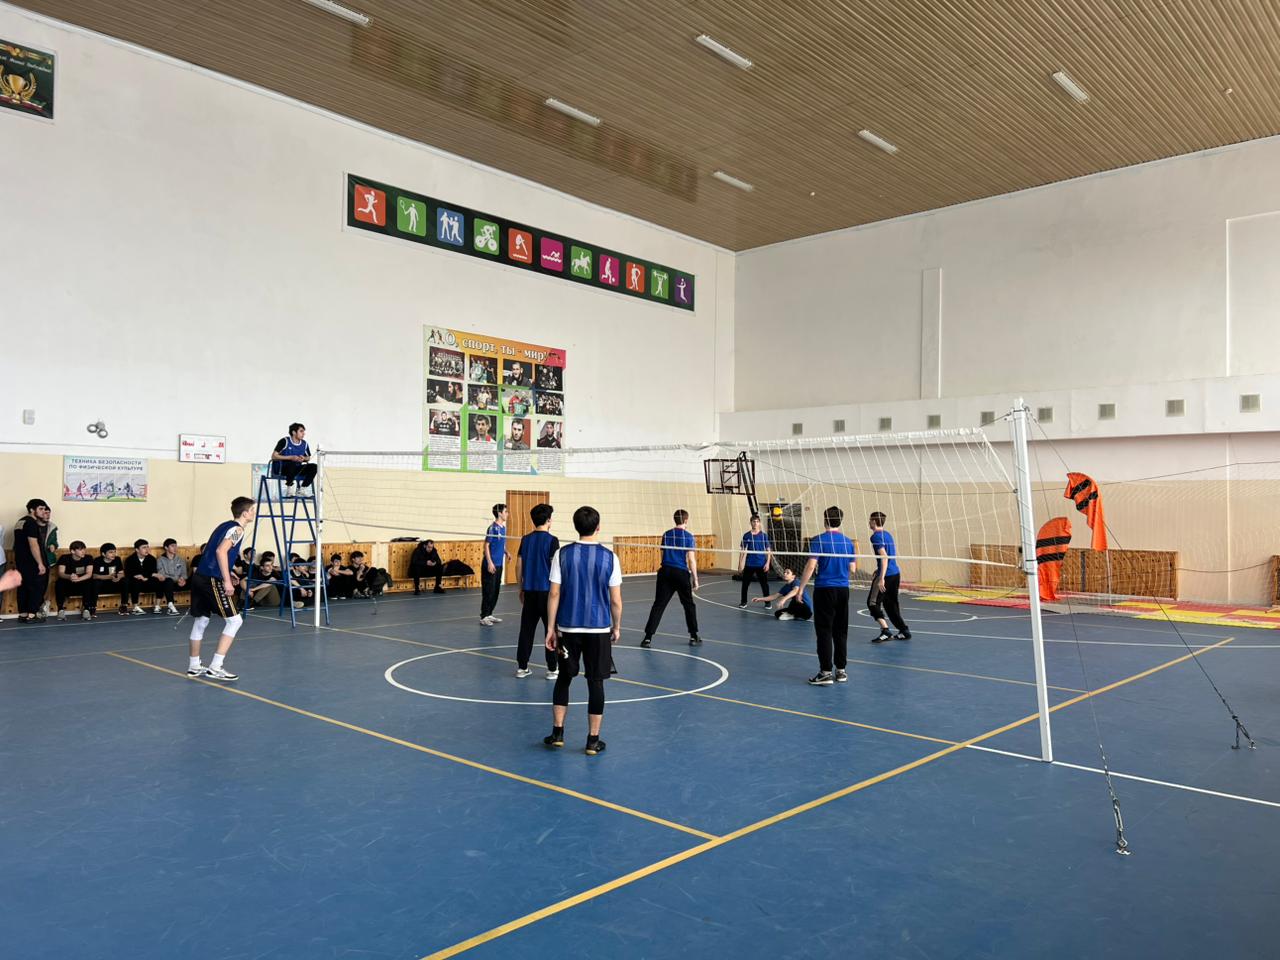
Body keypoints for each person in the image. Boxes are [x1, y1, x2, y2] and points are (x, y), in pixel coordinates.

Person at [543, 505, 622, 756]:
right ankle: (592, 741)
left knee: (564, 678)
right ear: (598, 527)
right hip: (599, 628)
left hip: (568, 627)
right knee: (595, 682)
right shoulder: (610, 557)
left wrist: (550, 628)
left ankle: (558, 734)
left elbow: (554, 593)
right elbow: (615, 600)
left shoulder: (562, 554)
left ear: (575, 526)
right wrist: (616, 626)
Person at [188, 497, 257, 680]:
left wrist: (229, 572)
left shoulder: (224, 526)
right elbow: (221, 551)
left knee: (201, 621)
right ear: (245, 513)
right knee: (235, 621)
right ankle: (215, 667)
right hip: (211, 579)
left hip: (200, 577)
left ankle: (194, 666)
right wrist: (226, 580)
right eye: (252, 510)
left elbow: (211, 552)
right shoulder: (238, 529)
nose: (254, 513)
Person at [793, 506, 858, 686]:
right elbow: (853, 569)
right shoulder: (848, 542)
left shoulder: (819, 540)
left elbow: (811, 566)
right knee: (840, 630)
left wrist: (800, 588)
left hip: (824, 589)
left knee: (824, 631)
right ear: (840, 521)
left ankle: (825, 672)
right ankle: (841, 671)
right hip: (843, 590)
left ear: (825, 520)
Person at [640, 509, 700, 647]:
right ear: (686, 520)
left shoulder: (666, 534)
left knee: (659, 605)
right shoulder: (688, 536)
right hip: (680, 572)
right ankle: (693, 636)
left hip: (665, 571)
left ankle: (647, 638)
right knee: (688, 605)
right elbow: (691, 560)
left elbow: (662, 555)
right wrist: (695, 579)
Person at [515, 503, 560, 678]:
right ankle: (552, 669)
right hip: (547, 594)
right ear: (548, 520)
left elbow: (519, 565)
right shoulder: (552, 540)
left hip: (530, 592)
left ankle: (522, 668)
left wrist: (521, 588)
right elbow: (555, 568)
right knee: (551, 629)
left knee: (526, 630)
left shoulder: (525, 539)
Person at [868, 511, 911, 643]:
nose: (869, 522)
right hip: (895, 574)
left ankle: (885, 631)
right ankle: (904, 631)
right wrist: (879, 569)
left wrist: (881, 577)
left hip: (886, 575)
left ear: (874, 522)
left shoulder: (875, 537)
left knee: (872, 603)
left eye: (870, 520)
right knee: (890, 604)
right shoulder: (887, 534)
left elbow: (884, 557)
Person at [13, 498, 52, 623]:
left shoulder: (20, 522)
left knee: (24, 587)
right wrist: (40, 563)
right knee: (37, 587)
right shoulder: (31, 523)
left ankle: (23, 614)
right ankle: (32, 615)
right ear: (31, 510)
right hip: (32, 562)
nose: (43, 511)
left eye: (44, 509)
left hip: (21, 562)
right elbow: (33, 544)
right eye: (40, 509)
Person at [54, 541, 99, 621]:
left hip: (82, 581)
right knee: (59, 583)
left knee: (89, 582)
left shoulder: (88, 558)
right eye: (81, 550)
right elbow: (61, 573)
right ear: (72, 551)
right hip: (68, 581)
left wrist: (78, 579)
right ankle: (60, 609)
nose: (83, 551)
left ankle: (86, 609)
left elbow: (89, 574)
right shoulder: (64, 558)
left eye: (84, 549)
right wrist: (70, 577)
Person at [270, 422, 317, 498]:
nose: (304, 433)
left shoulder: (304, 444)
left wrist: (303, 458)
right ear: (294, 432)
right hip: (281, 469)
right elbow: (274, 456)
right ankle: (290, 489)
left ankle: (302, 489)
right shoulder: (284, 441)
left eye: (304, 431)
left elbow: (308, 457)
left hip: (296, 469)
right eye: (301, 431)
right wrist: (290, 457)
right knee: (292, 464)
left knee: (314, 467)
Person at [480, 503, 508, 626]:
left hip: (499, 564)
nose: (507, 514)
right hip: (490, 564)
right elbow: (486, 546)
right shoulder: (492, 528)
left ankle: (489, 613)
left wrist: (506, 552)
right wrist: (490, 563)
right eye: (506, 511)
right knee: (488, 590)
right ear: (500, 513)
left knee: (496, 590)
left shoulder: (503, 528)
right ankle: (483, 616)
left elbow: (501, 543)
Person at [737, 513, 772, 608]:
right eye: (753, 521)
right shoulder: (746, 535)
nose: (755, 523)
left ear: (759, 523)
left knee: (764, 585)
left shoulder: (763, 536)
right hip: (749, 564)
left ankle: (768, 603)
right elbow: (742, 551)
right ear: (751, 523)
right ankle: (743, 602)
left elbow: (768, 551)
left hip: (761, 564)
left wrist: (768, 563)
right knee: (745, 584)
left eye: (757, 521)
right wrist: (740, 565)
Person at [124, 539, 164, 615]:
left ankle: (157, 605)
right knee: (135, 582)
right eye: (144, 547)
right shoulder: (130, 559)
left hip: (148, 581)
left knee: (159, 580)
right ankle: (135, 607)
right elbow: (129, 573)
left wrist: (146, 577)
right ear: (137, 550)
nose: (147, 549)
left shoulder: (151, 559)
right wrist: (140, 576)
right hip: (136, 582)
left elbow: (153, 572)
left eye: (147, 547)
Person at [154, 538, 187, 615]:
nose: (175, 548)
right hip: (167, 583)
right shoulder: (160, 560)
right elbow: (162, 574)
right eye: (172, 546)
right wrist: (177, 579)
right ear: (166, 547)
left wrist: (182, 579)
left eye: (176, 546)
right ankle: (171, 605)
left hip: (179, 583)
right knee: (168, 581)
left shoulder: (180, 559)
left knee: (195, 581)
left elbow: (184, 573)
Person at [93, 543, 127, 616]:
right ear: (103, 554)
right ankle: (92, 607)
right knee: (95, 583)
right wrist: (108, 577)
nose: (113, 554)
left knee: (125, 581)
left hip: (113, 582)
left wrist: (118, 577)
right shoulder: (97, 560)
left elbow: (122, 573)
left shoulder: (117, 559)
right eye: (111, 552)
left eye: (114, 552)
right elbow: (94, 576)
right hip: (102, 584)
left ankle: (123, 605)